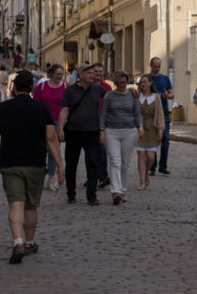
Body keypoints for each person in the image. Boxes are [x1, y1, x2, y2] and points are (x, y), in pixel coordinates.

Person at [0, 71, 63, 264]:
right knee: (31, 206)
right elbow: (51, 138)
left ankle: (18, 242)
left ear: (14, 87)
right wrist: (60, 166)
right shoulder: (42, 109)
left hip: (10, 163)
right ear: (31, 88)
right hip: (35, 164)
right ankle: (30, 243)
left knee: (16, 203)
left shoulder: (2, 109)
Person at [58, 63, 105, 206]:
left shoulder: (97, 89)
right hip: (73, 131)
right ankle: (71, 194)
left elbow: (113, 96)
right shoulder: (70, 91)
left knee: (92, 163)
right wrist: (60, 128)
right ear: (81, 75)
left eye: (93, 73)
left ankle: (92, 195)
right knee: (71, 164)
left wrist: (130, 91)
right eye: (89, 73)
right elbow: (64, 110)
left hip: (91, 132)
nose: (93, 75)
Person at [99, 70, 142, 206]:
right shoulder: (109, 96)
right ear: (116, 83)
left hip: (129, 131)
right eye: (120, 83)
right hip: (112, 131)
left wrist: (140, 126)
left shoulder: (132, 94)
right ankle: (115, 191)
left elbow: (137, 112)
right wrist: (101, 131)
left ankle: (123, 190)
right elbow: (103, 115)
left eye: (124, 82)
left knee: (125, 163)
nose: (123, 85)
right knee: (115, 161)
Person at [32, 64, 67, 192]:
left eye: (61, 74)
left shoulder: (65, 87)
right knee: (40, 150)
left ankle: (51, 178)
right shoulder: (41, 86)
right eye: (57, 74)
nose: (59, 76)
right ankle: (38, 176)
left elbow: (68, 105)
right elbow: (34, 104)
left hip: (58, 122)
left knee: (53, 151)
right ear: (51, 74)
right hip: (42, 121)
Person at [134, 75, 164, 190]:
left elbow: (160, 114)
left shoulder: (156, 97)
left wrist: (160, 130)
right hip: (140, 128)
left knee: (150, 157)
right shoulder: (137, 96)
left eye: (145, 82)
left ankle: (146, 172)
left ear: (150, 83)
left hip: (152, 128)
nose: (143, 84)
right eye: (141, 82)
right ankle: (142, 181)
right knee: (141, 155)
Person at [146, 58, 173, 176]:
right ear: (150, 65)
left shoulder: (165, 79)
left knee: (165, 139)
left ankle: (163, 166)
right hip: (150, 114)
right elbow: (140, 93)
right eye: (155, 66)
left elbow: (172, 94)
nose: (157, 69)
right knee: (153, 140)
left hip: (164, 113)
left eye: (159, 66)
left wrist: (168, 95)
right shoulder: (146, 79)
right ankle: (152, 166)